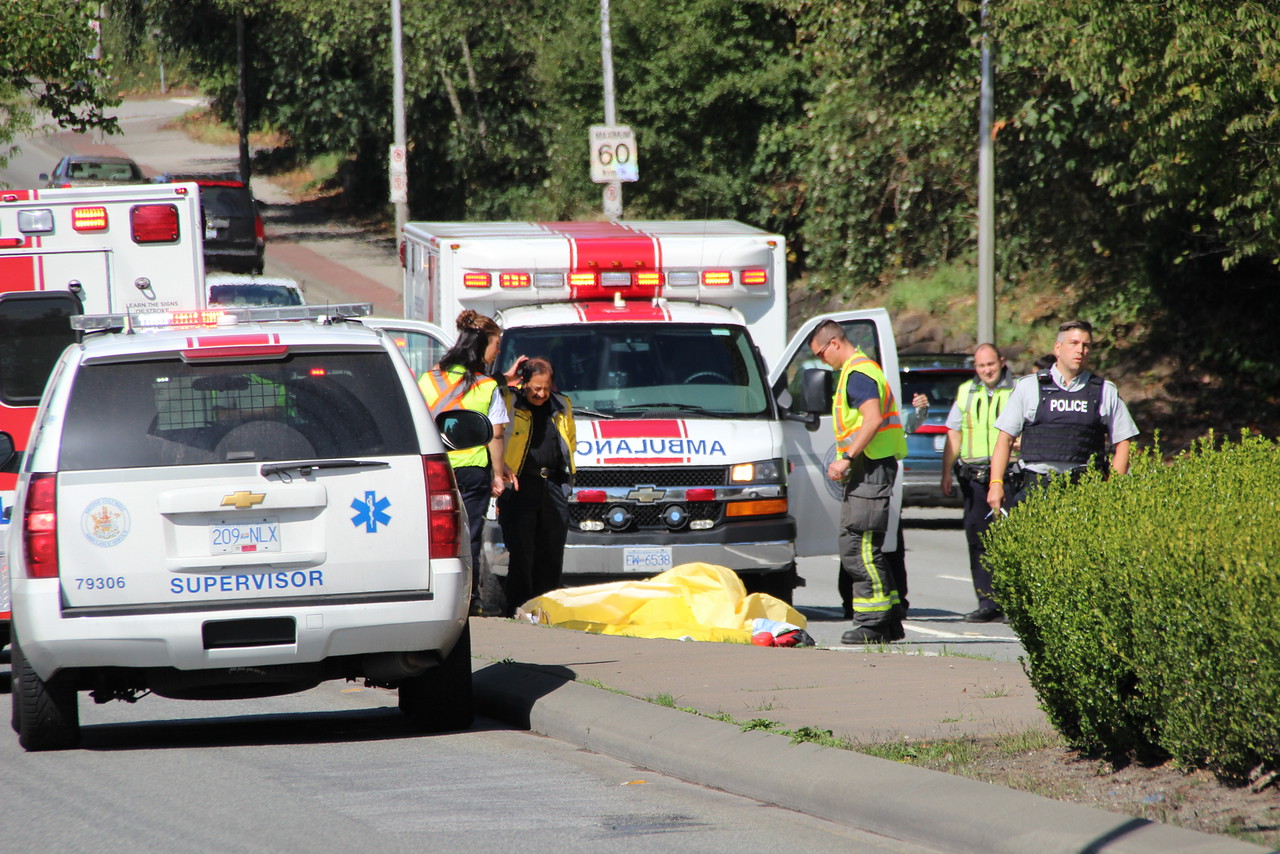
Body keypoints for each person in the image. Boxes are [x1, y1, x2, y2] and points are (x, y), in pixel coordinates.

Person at [810, 320, 908, 644]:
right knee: (868, 546)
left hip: (869, 465)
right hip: (870, 466)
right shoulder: (858, 371)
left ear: (834, 344)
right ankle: (890, 621)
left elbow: (873, 419)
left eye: (821, 354)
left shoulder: (858, 374)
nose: (822, 361)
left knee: (858, 546)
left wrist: (847, 457)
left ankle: (873, 623)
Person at [987, 320, 1138, 516]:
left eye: (1086, 345)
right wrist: (996, 483)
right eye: (1073, 343)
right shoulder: (1029, 387)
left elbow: (1124, 441)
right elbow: (1004, 439)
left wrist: (1112, 490)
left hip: (1084, 490)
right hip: (1036, 488)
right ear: (1058, 348)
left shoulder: (1103, 391)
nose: (1080, 350)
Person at [419, 310, 512, 616]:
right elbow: (496, 436)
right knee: (468, 536)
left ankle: (430, 594)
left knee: (434, 535)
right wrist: (498, 475)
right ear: (482, 344)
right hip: (472, 471)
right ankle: (468, 601)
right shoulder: (486, 387)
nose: (498, 350)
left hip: (434, 472)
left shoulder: (427, 380)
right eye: (496, 343)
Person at [940, 343, 1016, 623]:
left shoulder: (1018, 389)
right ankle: (987, 602)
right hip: (973, 477)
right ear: (976, 367)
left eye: (991, 364)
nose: (987, 370)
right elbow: (954, 434)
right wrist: (946, 472)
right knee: (978, 540)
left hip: (1009, 475)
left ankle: (1011, 602)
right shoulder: (966, 392)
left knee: (1009, 540)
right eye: (981, 366)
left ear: (1002, 361)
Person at [497, 357, 576, 615]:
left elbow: (569, 441)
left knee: (552, 549)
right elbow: (486, 386)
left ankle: (548, 607)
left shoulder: (562, 404)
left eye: (546, 387)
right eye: (535, 388)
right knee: (522, 550)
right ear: (524, 384)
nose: (541, 394)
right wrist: (505, 377)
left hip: (552, 483)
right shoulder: (509, 401)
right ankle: (518, 607)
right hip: (520, 483)